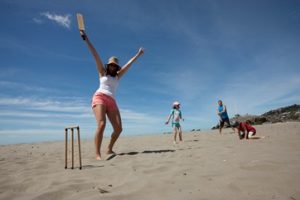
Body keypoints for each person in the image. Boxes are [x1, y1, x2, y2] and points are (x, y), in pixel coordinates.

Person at [80, 30, 144, 160]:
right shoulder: (102, 72)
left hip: (112, 101)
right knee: (102, 124)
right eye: (111, 65)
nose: (113, 67)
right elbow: (95, 54)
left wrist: (138, 55)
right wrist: (86, 39)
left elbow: (129, 64)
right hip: (100, 97)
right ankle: (97, 153)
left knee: (119, 129)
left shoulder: (118, 76)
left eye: (115, 66)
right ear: (108, 66)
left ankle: (109, 148)